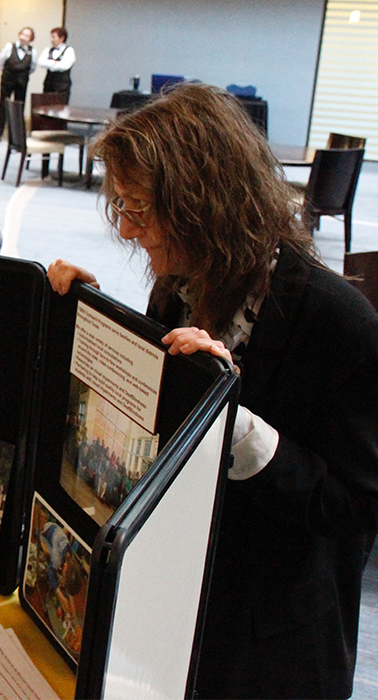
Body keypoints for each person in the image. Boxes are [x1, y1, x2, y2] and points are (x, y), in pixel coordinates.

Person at [46, 82, 378, 699]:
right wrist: (87, 322)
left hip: (271, 645)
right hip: (191, 605)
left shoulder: (338, 322)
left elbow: (356, 507)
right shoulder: (179, 287)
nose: (128, 231)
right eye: (121, 206)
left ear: (206, 203)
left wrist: (237, 425)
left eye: (140, 209)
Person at [0, 26, 37, 141]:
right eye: (22, 34)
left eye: (27, 36)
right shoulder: (9, 46)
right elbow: (0, 61)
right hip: (7, 80)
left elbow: (32, 68)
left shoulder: (33, 51)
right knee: (3, 105)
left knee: (19, 108)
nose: (23, 37)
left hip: (22, 82)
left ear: (31, 39)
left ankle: (16, 137)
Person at [41, 26, 75, 105]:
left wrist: (49, 63)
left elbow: (65, 66)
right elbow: (41, 62)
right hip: (48, 84)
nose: (51, 39)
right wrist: (54, 63)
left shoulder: (69, 50)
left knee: (61, 108)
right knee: (46, 107)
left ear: (61, 38)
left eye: (53, 37)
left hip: (62, 86)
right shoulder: (48, 49)